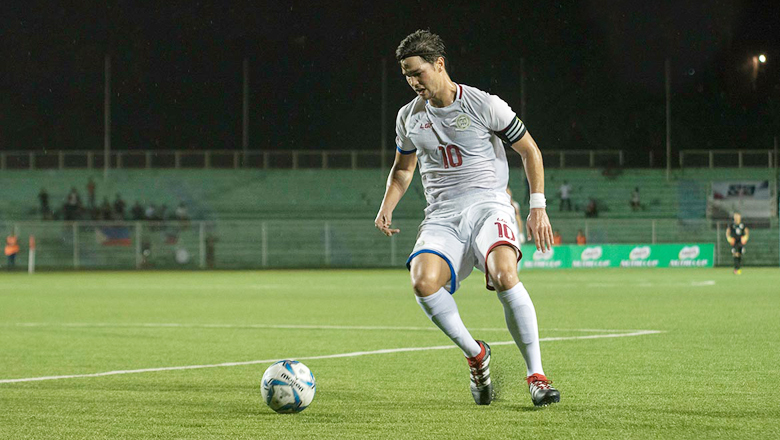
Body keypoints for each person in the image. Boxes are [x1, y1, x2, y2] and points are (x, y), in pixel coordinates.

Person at [374, 30, 559, 407]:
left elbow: (530, 150)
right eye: (406, 75)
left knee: (506, 274)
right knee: (423, 283)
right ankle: (477, 355)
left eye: (417, 72)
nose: (413, 82)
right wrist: (387, 203)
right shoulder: (408, 117)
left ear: (439, 65)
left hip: (488, 204)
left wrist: (537, 205)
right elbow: (403, 170)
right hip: (442, 215)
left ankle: (536, 375)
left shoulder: (484, 104)